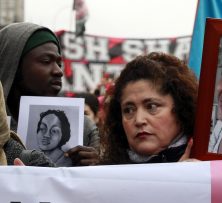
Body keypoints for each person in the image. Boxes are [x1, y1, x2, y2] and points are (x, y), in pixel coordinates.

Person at [0, 22, 100, 166]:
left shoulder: (85, 129)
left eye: (59, 64)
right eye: (46, 61)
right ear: (13, 64)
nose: (58, 71)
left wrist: (98, 166)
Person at [100, 52, 198, 164]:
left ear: (181, 109)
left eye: (152, 106)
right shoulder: (103, 174)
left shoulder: (211, 166)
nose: (139, 120)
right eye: (129, 110)